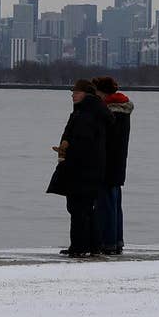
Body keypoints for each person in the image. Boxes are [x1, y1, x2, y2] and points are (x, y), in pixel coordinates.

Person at [46, 79, 114, 258]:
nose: (72, 94)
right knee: (85, 208)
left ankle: (79, 246)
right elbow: (71, 134)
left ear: (87, 93)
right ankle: (92, 245)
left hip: (83, 169)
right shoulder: (85, 111)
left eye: (76, 92)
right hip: (90, 168)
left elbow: (82, 142)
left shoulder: (87, 113)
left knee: (78, 208)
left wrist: (67, 153)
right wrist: (65, 143)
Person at [92, 76, 133, 255]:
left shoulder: (109, 112)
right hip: (118, 164)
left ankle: (107, 242)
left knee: (105, 205)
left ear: (102, 92)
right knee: (115, 204)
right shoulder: (122, 110)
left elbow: (104, 140)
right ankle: (116, 240)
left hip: (106, 163)